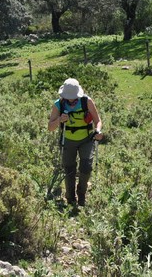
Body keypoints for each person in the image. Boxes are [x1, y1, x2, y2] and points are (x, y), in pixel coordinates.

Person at [47, 78, 103, 207]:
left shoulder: (87, 101)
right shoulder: (58, 105)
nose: (71, 99)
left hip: (87, 140)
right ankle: (70, 198)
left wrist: (98, 131)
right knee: (69, 170)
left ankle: (81, 194)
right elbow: (50, 127)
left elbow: (97, 120)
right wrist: (60, 119)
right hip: (67, 141)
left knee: (86, 167)